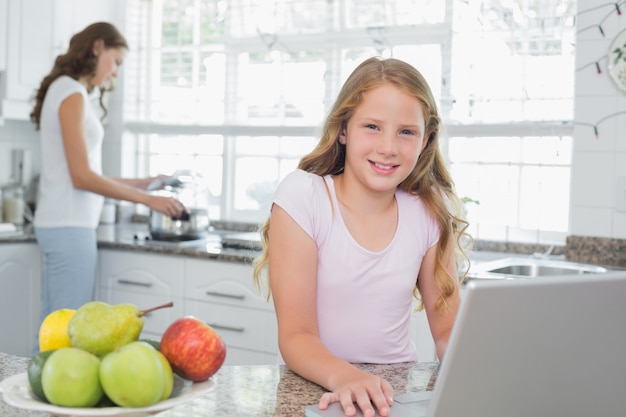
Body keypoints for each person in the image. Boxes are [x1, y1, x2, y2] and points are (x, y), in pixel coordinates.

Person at [253, 57, 471, 417]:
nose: (388, 147)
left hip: (393, 396)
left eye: (406, 132)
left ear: (425, 141)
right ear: (343, 130)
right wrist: (347, 378)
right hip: (316, 387)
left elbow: (449, 332)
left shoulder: (429, 210)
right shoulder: (304, 197)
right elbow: (296, 336)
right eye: (372, 126)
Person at [29, 22, 185, 349]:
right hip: (69, 228)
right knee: (69, 335)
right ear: (98, 47)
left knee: (54, 330)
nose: (115, 74)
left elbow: (86, 173)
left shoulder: (68, 90)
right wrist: (147, 200)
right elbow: (81, 177)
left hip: (63, 225)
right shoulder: (70, 92)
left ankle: (30, 400)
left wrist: (142, 184)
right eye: (116, 62)